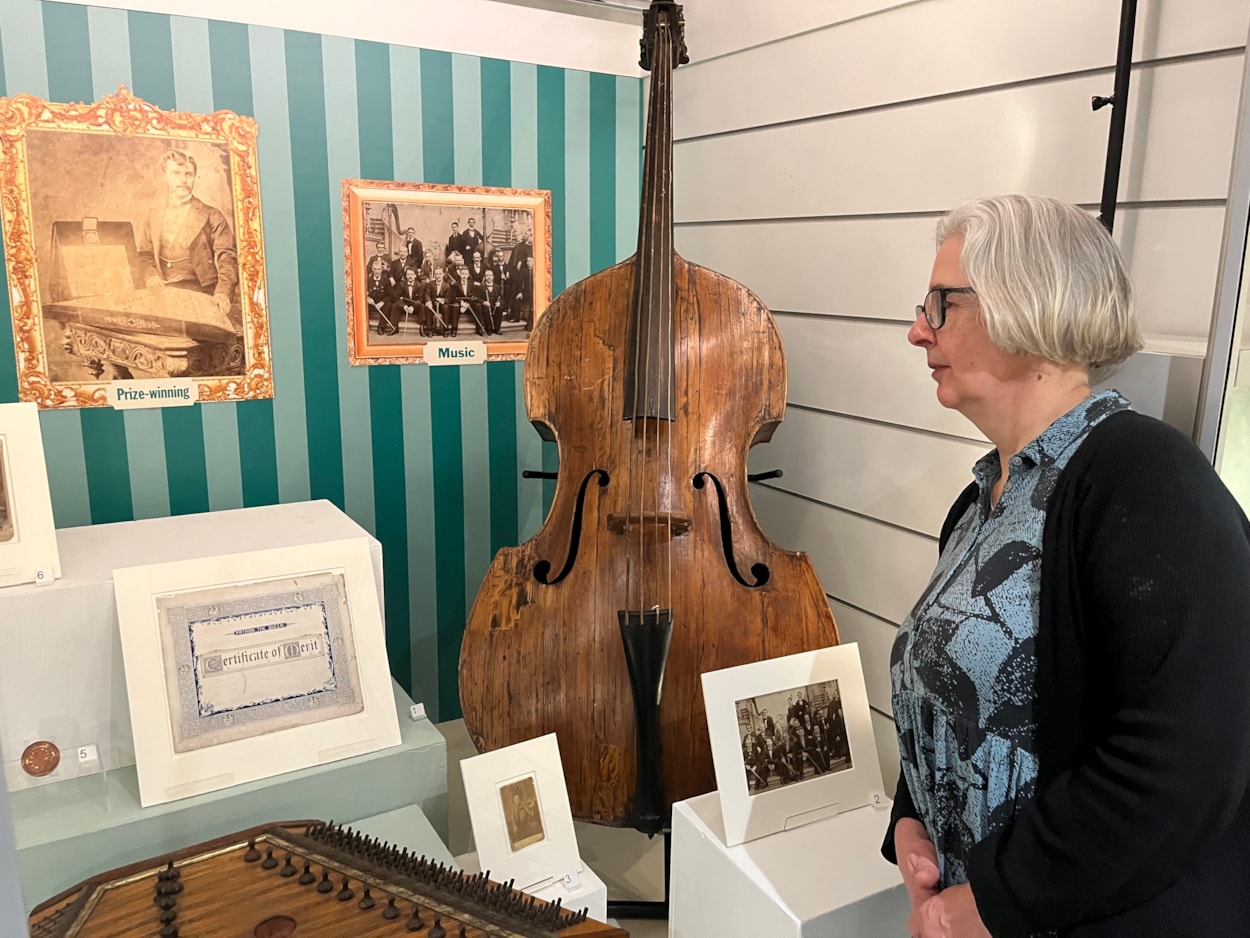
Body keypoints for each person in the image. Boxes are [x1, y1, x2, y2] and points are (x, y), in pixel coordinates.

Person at [885, 194, 1250, 937]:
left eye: (941, 303)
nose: (918, 329)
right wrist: (910, 817)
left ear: (1028, 305)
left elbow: (1184, 761)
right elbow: (966, 689)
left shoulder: (1145, 478)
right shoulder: (986, 498)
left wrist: (996, 897)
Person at [137, 149, 238, 319]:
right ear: (165, 176)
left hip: (202, 295)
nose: (183, 180)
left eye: (188, 174)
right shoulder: (152, 214)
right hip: (163, 295)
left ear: (195, 177)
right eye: (176, 173)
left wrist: (222, 293)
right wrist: (151, 276)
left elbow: (227, 258)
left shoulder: (212, 215)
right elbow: (144, 255)